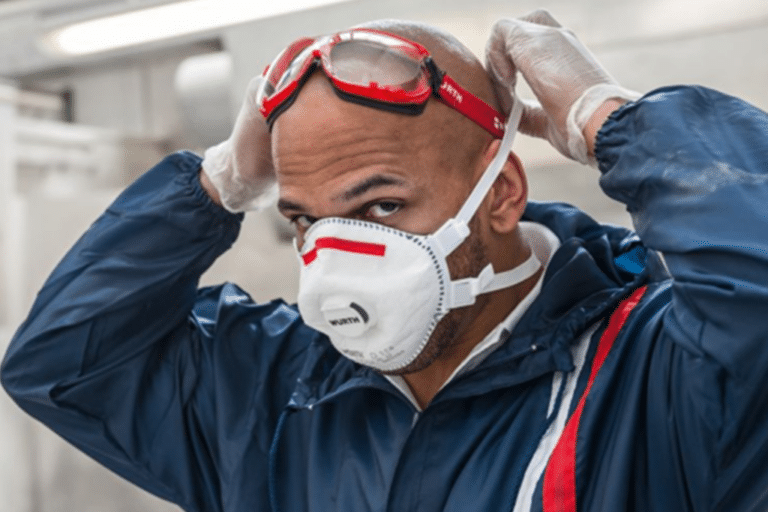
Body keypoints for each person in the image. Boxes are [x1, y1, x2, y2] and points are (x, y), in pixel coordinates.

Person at [3, 9, 768, 512]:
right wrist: (218, 182)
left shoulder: (655, 374)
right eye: (305, 218)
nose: (337, 262)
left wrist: (612, 116)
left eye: (379, 208)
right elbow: (64, 361)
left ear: (501, 194)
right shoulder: (274, 391)